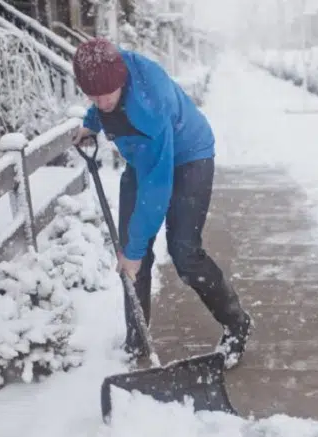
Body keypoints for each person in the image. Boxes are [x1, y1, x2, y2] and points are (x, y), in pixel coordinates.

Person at [71, 37, 253, 369]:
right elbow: (102, 101)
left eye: (104, 95)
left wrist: (136, 251)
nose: (99, 101)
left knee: (183, 252)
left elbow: (157, 187)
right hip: (144, 159)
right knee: (129, 254)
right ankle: (136, 339)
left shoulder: (149, 104)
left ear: (121, 81)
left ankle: (237, 323)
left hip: (189, 157)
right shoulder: (105, 69)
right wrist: (91, 122)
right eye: (91, 96)